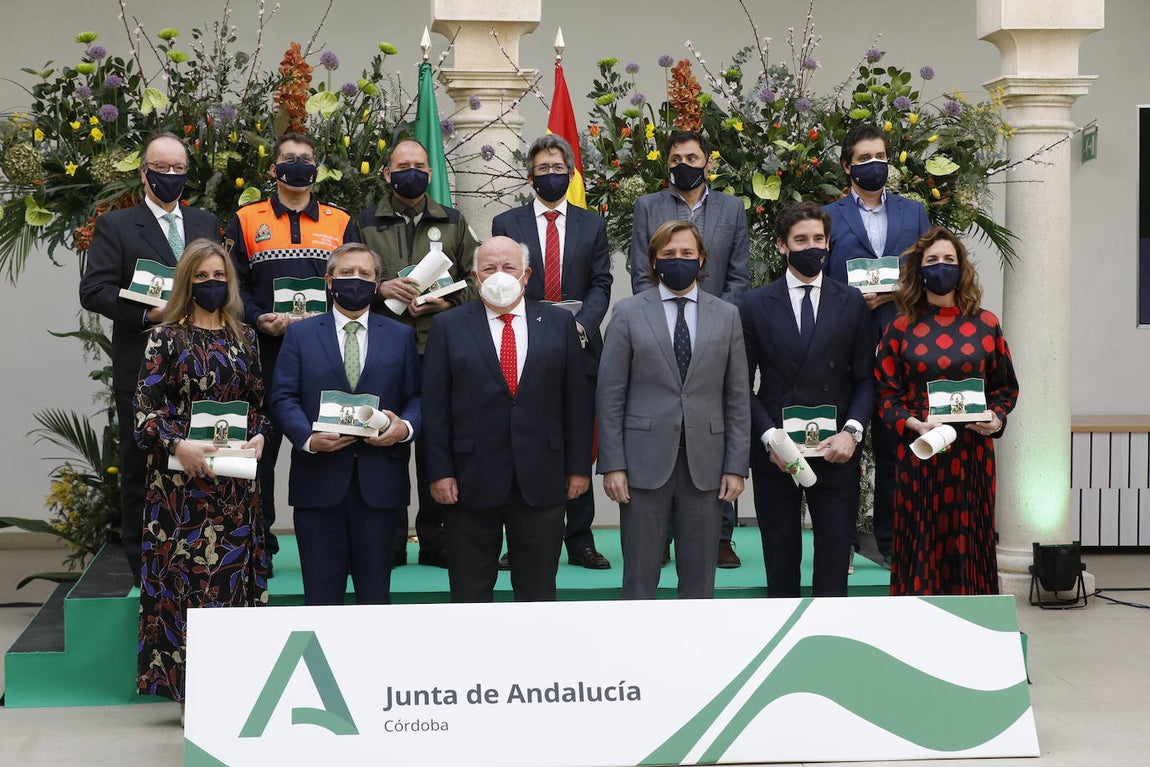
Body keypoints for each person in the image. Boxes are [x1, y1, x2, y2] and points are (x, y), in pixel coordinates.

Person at [133, 239, 270, 706]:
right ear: (186, 281)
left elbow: (259, 408)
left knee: (231, 584)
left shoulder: (245, 336)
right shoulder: (164, 337)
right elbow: (143, 414)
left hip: (235, 488)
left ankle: (233, 693)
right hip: (179, 490)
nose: (211, 285)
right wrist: (177, 444)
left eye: (219, 277)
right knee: (184, 588)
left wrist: (260, 437)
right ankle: (192, 697)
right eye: (202, 277)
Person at [79, 132, 221, 578]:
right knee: (143, 462)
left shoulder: (204, 222)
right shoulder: (117, 226)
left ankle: (202, 551)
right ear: (144, 172)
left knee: (202, 457)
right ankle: (143, 562)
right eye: (162, 169)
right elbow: (94, 291)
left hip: (202, 366)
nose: (171, 177)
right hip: (144, 366)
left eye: (179, 169)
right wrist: (148, 314)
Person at [422, 236, 593, 602]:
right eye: (489, 268)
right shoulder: (448, 326)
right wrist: (439, 472)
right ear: (475, 276)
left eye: (509, 267)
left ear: (526, 274)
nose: (500, 275)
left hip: (542, 478)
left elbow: (576, 402)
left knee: (537, 590)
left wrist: (579, 468)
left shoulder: (559, 323)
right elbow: (434, 408)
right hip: (468, 481)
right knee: (470, 591)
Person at [598, 220, 750, 599]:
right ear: (653, 261)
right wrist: (612, 464)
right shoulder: (628, 312)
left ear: (701, 259)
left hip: (707, 465)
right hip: (642, 464)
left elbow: (737, 397)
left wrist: (736, 465)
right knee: (639, 577)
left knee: (699, 581)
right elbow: (610, 394)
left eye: (686, 253)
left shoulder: (726, 315)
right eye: (668, 254)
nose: (677, 260)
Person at [227, 131, 356, 571]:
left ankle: (330, 543)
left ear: (316, 169)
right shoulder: (247, 219)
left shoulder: (340, 220)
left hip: (325, 353)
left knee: (325, 441)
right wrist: (258, 315)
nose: (297, 165)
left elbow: (355, 278)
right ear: (273, 168)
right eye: (289, 158)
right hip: (265, 350)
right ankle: (258, 543)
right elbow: (232, 284)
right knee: (262, 447)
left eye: (305, 158)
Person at [268, 243, 421, 605]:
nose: (356, 280)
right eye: (347, 273)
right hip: (319, 485)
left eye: (365, 274)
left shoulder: (400, 336)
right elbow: (282, 396)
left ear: (377, 281)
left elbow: (418, 397)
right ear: (329, 281)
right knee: (320, 601)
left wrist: (405, 428)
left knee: (375, 599)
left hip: (380, 487)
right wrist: (307, 438)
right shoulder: (300, 335)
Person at [629, 129, 751, 568]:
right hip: (660, 328)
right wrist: (658, 317)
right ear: (668, 164)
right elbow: (641, 271)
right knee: (663, 420)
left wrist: (717, 320)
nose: (685, 163)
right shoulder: (649, 206)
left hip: (715, 333)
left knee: (715, 425)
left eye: (693, 156)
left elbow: (740, 273)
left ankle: (720, 534)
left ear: (708, 162)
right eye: (677, 157)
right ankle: (659, 535)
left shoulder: (732, 208)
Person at [355, 137, 479, 568]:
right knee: (383, 443)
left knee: (434, 447)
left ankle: (435, 539)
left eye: (420, 166)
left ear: (430, 173)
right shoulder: (366, 222)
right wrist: (379, 288)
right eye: (402, 165)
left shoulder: (454, 221)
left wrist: (447, 302)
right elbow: (347, 281)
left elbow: (475, 286)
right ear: (387, 173)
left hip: (436, 349)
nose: (412, 172)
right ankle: (388, 541)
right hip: (383, 350)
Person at [491, 134, 613, 570]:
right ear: (530, 176)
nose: (551, 175)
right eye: (542, 169)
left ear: (571, 172)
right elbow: (504, 284)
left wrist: (578, 325)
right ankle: (520, 537)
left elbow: (601, 283)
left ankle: (579, 540)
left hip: (579, 342)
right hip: (524, 342)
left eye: (558, 168)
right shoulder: (507, 222)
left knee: (578, 434)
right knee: (526, 437)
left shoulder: (591, 223)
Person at [740, 202, 874, 598]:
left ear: (829, 243)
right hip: (776, 455)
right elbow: (739, 385)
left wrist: (852, 432)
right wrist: (769, 439)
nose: (811, 247)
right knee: (780, 562)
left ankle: (830, 650)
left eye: (819, 239)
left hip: (836, 451)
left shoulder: (851, 302)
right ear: (783, 245)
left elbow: (867, 379)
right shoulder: (754, 304)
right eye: (801, 240)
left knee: (834, 563)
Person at [875, 227, 1018, 595]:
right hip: (921, 454)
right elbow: (886, 395)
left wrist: (996, 418)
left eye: (949, 260)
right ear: (919, 271)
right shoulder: (900, 327)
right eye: (933, 260)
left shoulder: (986, 325)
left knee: (970, 540)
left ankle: (973, 629)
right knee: (919, 541)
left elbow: (1005, 386)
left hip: (973, 458)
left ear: (962, 268)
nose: (942, 267)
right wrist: (914, 424)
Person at [823, 123, 931, 569]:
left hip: (898, 341)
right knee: (841, 449)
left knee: (893, 450)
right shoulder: (829, 215)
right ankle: (841, 543)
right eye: (864, 158)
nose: (874, 165)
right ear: (848, 166)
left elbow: (929, 269)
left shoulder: (913, 213)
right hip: (844, 341)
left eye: (880, 156)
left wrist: (895, 293)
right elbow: (819, 274)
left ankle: (889, 542)